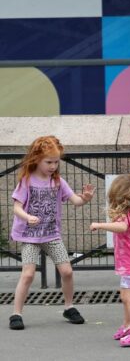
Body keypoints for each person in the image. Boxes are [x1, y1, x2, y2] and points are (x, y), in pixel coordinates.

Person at [8, 135, 95, 331]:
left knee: (67, 271)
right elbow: (16, 207)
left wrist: (86, 198)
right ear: (36, 159)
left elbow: (76, 201)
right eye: (49, 162)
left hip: (51, 234)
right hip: (29, 236)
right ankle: (16, 312)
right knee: (28, 274)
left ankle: (69, 306)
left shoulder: (58, 182)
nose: (53, 166)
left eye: (56, 162)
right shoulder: (26, 181)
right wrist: (27, 216)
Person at [89, 175, 130, 347]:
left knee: (126, 297)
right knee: (129, 294)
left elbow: (122, 227)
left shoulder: (125, 213)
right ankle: (128, 325)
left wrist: (100, 225)